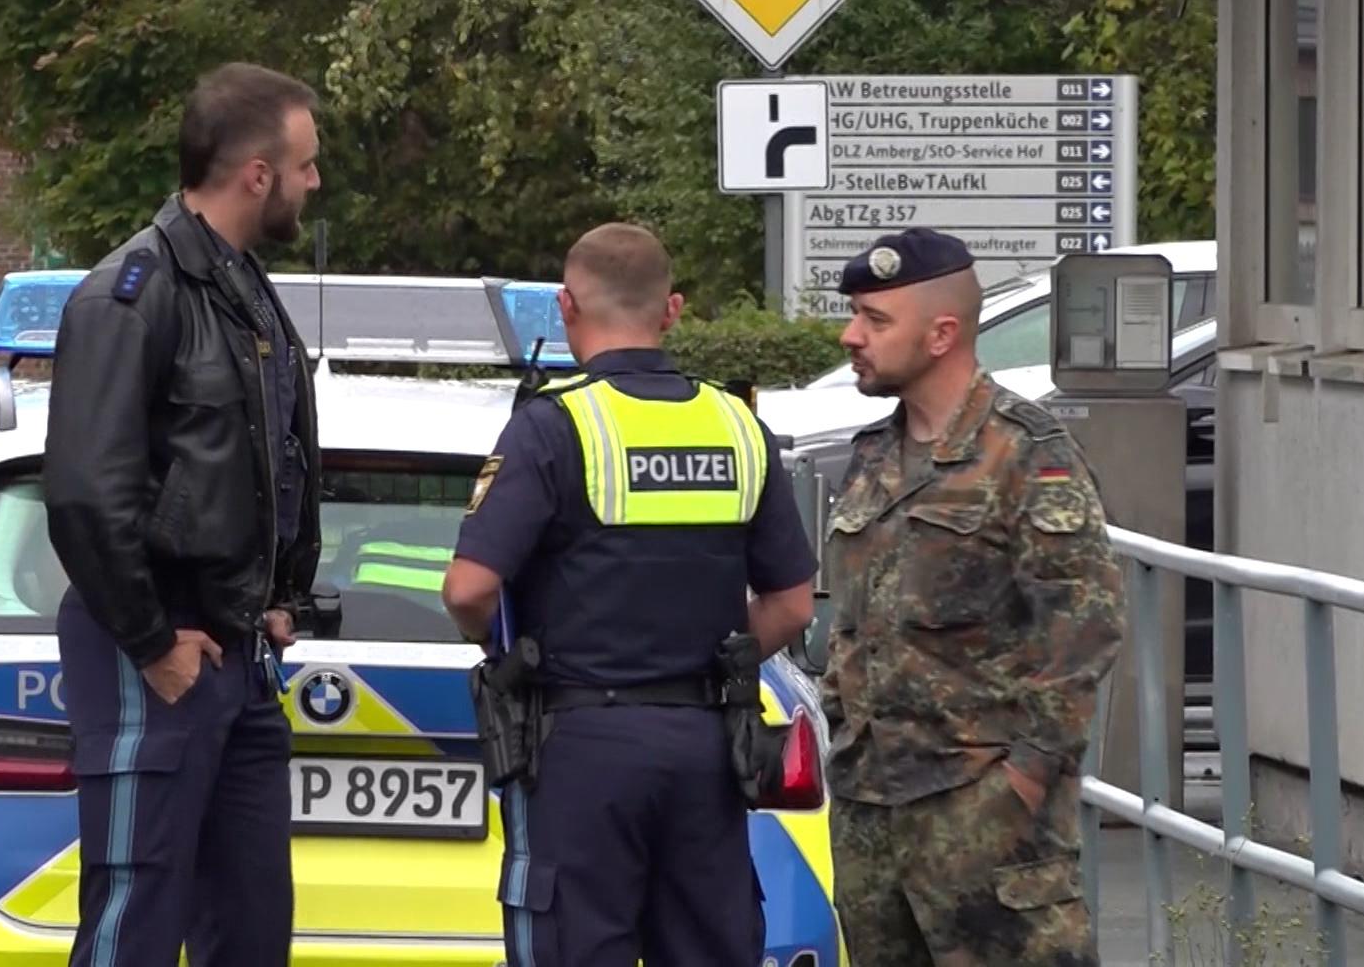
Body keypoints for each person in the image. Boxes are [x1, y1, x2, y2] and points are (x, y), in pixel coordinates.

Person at [441, 222, 818, 967]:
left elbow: (468, 589)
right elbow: (792, 605)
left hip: (581, 749)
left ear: (565, 306)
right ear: (671, 310)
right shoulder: (738, 426)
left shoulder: (552, 427)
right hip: (706, 747)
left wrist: (513, 655)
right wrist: (712, 664)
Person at [43, 61, 324, 967]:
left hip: (237, 661)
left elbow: (266, 465)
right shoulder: (131, 293)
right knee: (136, 925)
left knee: (250, 930)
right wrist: (153, 642)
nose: (314, 183)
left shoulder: (246, 292)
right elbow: (87, 494)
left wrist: (277, 596)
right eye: (306, 166)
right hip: (154, 653)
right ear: (257, 174)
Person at [818, 228, 1125, 966]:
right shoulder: (871, 456)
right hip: (873, 817)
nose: (850, 334)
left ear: (942, 333)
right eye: (856, 314)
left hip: (983, 817)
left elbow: (1086, 625)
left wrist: (1024, 775)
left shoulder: (1025, 452)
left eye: (875, 319)